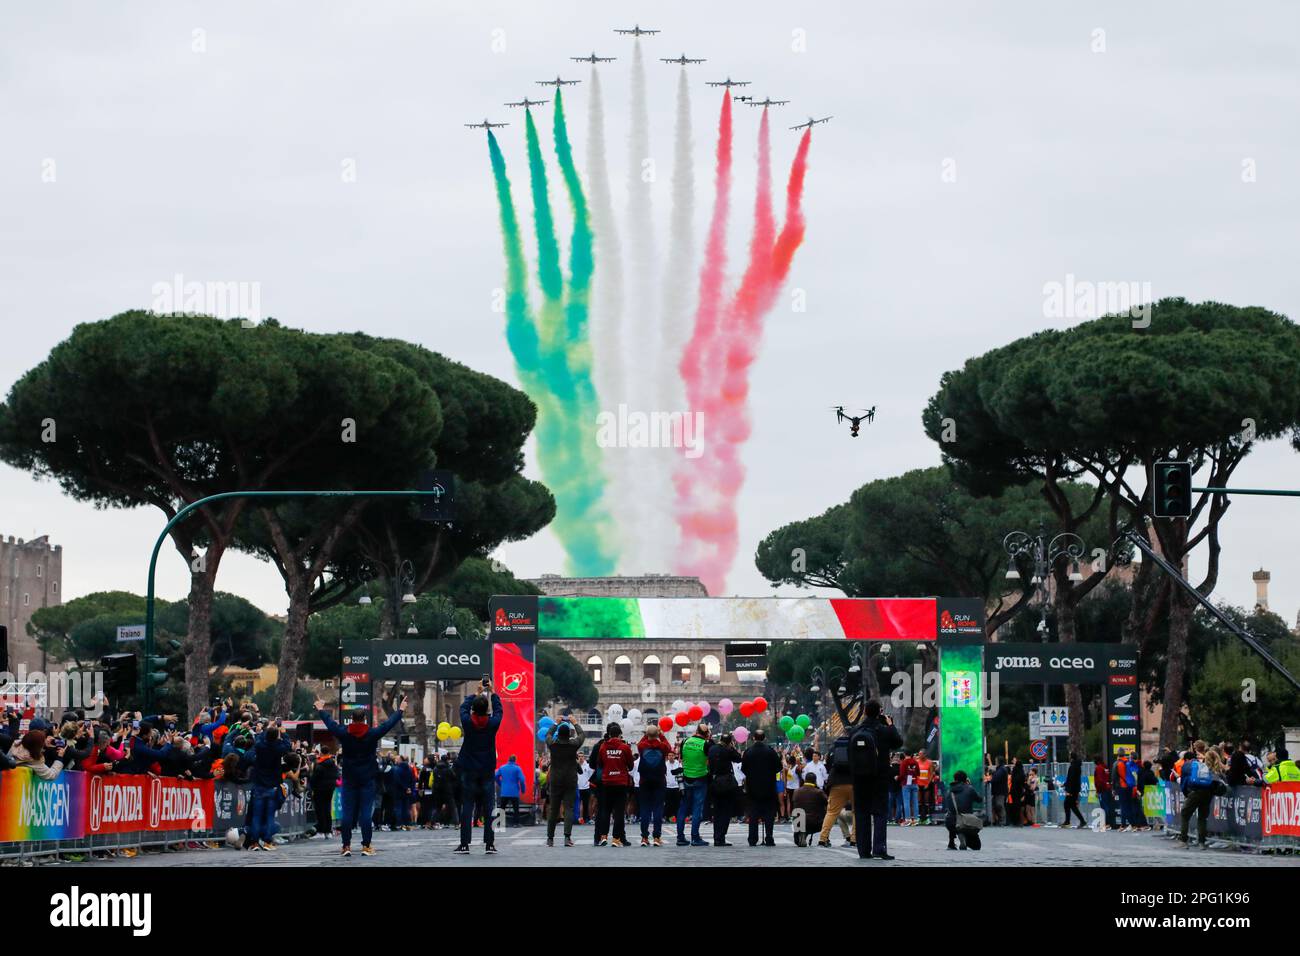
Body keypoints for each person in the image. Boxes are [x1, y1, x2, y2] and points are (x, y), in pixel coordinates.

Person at [315, 695, 406, 858]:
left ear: (352, 719)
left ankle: (346, 845)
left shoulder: (344, 733)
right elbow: (388, 724)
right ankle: (366, 845)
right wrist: (400, 711)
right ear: (364, 719)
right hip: (367, 777)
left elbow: (330, 724)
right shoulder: (371, 733)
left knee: (348, 813)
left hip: (350, 777)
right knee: (365, 812)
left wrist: (321, 710)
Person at [455, 679, 503, 855]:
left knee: (467, 807)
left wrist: (476, 693)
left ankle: (464, 844)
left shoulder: (468, 723)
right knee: (489, 808)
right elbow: (499, 710)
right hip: (487, 770)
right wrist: (493, 691)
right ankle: (489, 844)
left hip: (469, 770)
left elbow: (462, 708)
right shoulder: (492, 724)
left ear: (473, 709)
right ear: (487, 710)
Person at [854, 700, 903, 860]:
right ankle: (879, 848)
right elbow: (898, 742)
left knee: (862, 814)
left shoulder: (856, 730)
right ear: (879, 712)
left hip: (860, 779)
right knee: (880, 813)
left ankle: (863, 850)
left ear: (865, 712)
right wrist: (890, 725)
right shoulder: (883, 730)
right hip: (879, 777)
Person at [245, 722, 291, 851]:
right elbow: (287, 746)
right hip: (272, 786)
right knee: (270, 815)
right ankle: (267, 841)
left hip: (259, 784)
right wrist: (284, 733)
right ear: (276, 737)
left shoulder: (260, 745)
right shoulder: (278, 748)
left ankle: (254, 842)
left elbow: (259, 738)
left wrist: (267, 729)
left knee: (256, 815)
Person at [544, 715, 585, 847]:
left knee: (554, 810)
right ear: (569, 735)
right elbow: (582, 735)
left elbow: (548, 734)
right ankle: (567, 838)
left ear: (559, 735)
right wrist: (575, 723)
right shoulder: (573, 745)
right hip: (570, 780)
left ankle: (550, 839)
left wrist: (555, 723)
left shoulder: (553, 745)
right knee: (569, 808)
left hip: (556, 780)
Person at [594, 722, 635, 847]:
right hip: (621, 782)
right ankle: (616, 838)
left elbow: (599, 763)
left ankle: (603, 836)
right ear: (620, 735)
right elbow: (631, 765)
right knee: (619, 812)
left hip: (607, 782)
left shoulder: (603, 747)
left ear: (609, 734)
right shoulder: (624, 747)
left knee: (606, 811)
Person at [742, 729, 781, 847]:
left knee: (753, 815)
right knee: (769, 814)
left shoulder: (748, 752)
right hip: (768, 787)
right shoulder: (770, 751)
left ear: (754, 738)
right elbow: (778, 767)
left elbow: (744, 769)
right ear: (764, 738)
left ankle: (752, 839)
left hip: (753, 787)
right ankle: (769, 838)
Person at [819, 729, 857, 847]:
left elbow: (828, 766)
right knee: (857, 812)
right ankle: (854, 838)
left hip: (836, 783)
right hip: (853, 782)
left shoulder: (834, 748)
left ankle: (823, 838)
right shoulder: (855, 746)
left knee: (831, 812)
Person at [677, 722, 712, 847]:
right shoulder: (706, 744)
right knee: (697, 809)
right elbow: (710, 760)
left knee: (683, 808)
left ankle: (680, 837)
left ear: (696, 731)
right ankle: (695, 838)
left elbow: (680, 758)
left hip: (686, 778)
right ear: (707, 733)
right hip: (700, 779)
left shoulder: (685, 741)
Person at [636, 724, 672, 846]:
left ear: (647, 735)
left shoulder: (642, 746)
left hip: (644, 780)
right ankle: (657, 837)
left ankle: (644, 838)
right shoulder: (662, 746)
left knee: (645, 809)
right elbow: (669, 745)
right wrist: (660, 734)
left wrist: (647, 734)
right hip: (659, 780)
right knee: (658, 809)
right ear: (657, 735)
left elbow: (640, 742)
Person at [707, 732, 742, 846]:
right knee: (726, 811)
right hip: (726, 782)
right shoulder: (728, 750)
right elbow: (738, 758)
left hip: (715, 781)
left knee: (717, 811)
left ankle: (716, 836)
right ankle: (721, 837)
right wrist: (731, 747)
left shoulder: (712, 749)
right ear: (729, 742)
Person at [1178, 749, 1215, 848]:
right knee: (1202, 817)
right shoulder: (1202, 765)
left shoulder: (1186, 766)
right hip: (1207, 793)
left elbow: (1184, 783)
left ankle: (1183, 841)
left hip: (1194, 793)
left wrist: (1187, 794)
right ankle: (1202, 842)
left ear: (1186, 759)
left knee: (1185, 814)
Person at [944, 770, 984, 850]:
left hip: (951, 822)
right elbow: (979, 799)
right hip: (966, 822)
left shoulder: (949, 791)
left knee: (951, 815)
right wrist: (970, 786)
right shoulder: (969, 788)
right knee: (976, 846)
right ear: (966, 779)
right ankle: (963, 835)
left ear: (954, 779)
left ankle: (951, 842)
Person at [792, 772, 828, 846]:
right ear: (815, 781)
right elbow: (827, 803)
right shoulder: (818, 792)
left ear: (805, 780)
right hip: (814, 822)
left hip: (798, 822)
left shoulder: (796, 791)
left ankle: (801, 833)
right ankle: (826, 839)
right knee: (828, 813)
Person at [309, 747, 339, 838]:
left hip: (320, 789)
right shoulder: (333, 763)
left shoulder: (320, 765)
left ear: (321, 753)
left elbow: (314, 778)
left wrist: (312, 785)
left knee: (320, 809)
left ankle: (321, 831)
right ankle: (328, 831)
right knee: (327, 808)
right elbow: (336, 775)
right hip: (330, 788)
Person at [495, 754, 526, 825]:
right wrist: (523, 789)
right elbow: (522, 780)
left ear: (508, 760)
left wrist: (500, 784)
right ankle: (516, 823)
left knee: (502, 807)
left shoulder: (502, 768)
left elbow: (496, 776)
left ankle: (500, 822)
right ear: (515, 760)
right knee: (516, 809)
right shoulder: (517, 768)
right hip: (514, 792)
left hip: (504, 791)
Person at [1061, 753, 1087, 828]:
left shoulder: (1073, 766)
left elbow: (1071, 779)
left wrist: (1069, 791)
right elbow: (1072, 778)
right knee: (1072, 806)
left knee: (1067, 804)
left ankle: (1068, 822)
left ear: (1071, 758)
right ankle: (1080, 821)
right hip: (1075, 789)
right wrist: (1065, 784)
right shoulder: (1077, 766)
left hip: (1072, 790)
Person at [391, 755, 415, 830]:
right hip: (407, 792)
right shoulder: (410, 769)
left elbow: (397, 781)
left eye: (397, 759)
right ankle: (407, 823)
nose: (396, 760)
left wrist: (404, 787)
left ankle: (399, 824)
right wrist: (409, 788)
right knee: (406, 808)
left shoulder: (397, 769)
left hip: (398, 791)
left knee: (398, 808)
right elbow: (413, 780)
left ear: (400, 760)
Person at [898, 749, 920, 826]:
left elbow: (902, 774)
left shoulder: (903, 762)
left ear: (904, 754)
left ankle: (908, 819)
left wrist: (897, 778)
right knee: (915, 802)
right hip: (914, 783)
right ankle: (916, 819)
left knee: (906, 802)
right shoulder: (915, 762)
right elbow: (918, 773)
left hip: (906, 783)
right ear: (911, 754)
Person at [915, 749, 936, 825]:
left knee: (926, 801)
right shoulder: (916, 761)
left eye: (920, 754)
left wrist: (928, 783)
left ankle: (927, 818)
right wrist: (916, 783)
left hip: (927, 784)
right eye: (919, 754)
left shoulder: (929, 762)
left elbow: (931, 774)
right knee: (919, 801)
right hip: (918, 784)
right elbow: (915, 773)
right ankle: (920, 817)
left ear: (924, 755)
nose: (919, 755)